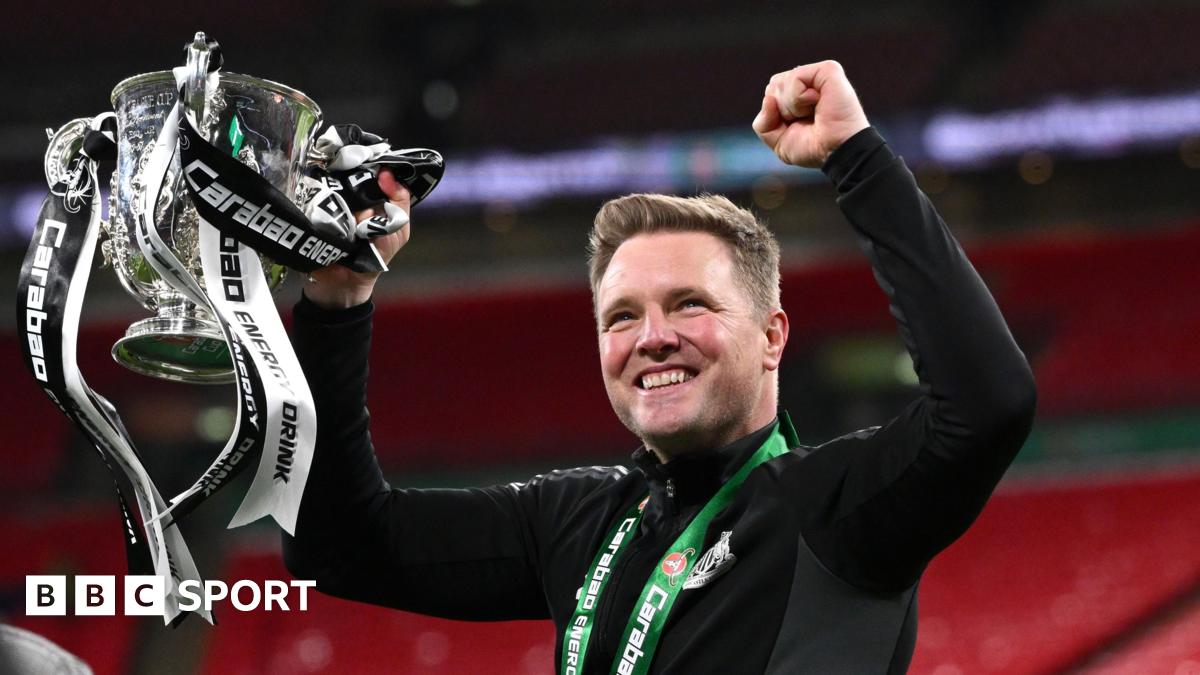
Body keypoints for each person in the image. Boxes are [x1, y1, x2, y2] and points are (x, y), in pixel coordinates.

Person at [283, 61, 1036, 674]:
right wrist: (338, 302)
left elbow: (987, 404)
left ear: (772, 337)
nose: (652, 338)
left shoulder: (835, 509)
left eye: (688, 305)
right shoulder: (576, 521)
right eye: (621, 316)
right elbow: (337, 545)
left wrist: (857, 159)